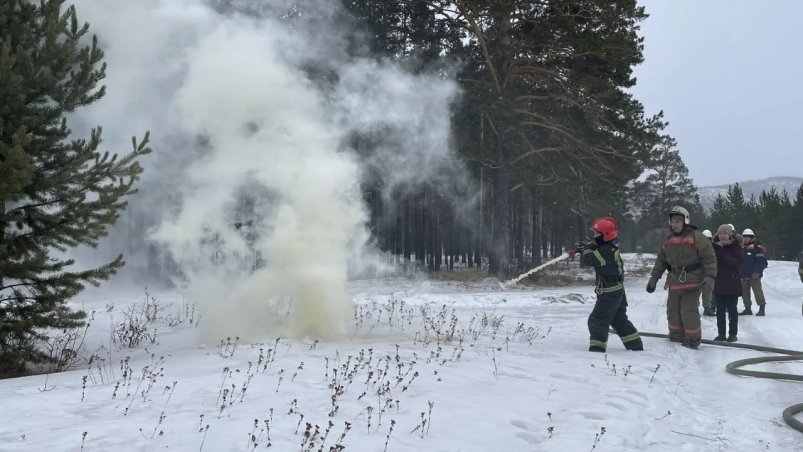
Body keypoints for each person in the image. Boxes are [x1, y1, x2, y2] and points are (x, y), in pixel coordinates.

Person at [646, 206, 717, 349]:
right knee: (673, 311)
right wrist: (654, 278)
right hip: (674, 281)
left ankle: (693, 339)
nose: (675, 224)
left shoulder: (697, 237)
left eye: (678, 221)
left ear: (685, 221)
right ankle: (676, 335)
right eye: (673, 221)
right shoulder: (668, 239)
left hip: (693, 281)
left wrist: (710, 276)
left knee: (688, 311)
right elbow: (661, 260)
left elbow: (709, 258)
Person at [572, 216, 643, 352]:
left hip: (610, 293)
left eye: (596, 234)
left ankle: (597, 349)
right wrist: (590, 245)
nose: (594, 236)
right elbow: (595, 251)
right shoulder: (608, 248)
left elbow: (589, 259)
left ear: (605, 235)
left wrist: (585, 249)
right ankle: (635, 346)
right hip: (616, 291)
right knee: (618, 319)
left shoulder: (605, 251)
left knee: (597, 320)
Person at [711, 225, 744, 342]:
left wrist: (723, 257)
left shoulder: (735, 246)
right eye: (721, 233)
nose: (722, 235)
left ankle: (733, 334)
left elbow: (739, 261)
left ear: (730, 235)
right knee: (719, 311)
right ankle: (721, 334)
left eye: (725, 233)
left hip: (732, 283)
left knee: (732, 311)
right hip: (719, 282)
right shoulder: (713, 247)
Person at [739, 228, 768, 316]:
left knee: (758, 292)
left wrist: (757, 272)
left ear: (751, 237)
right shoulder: (742, 247)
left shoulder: (757, 248)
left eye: (748, 237)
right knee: (745, 293)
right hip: (744, 275)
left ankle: (762, 308)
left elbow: (760, 261)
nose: (746, 239)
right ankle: (747, 308)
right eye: (744, 237)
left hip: (754, 275)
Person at [700, 229, 715, 317]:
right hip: (697, 272)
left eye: (708, 239)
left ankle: (707, 308)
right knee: (694, 291)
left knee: (708, 291)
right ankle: (693, 308)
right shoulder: (696, 247)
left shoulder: (714, 248)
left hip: (708, 273)